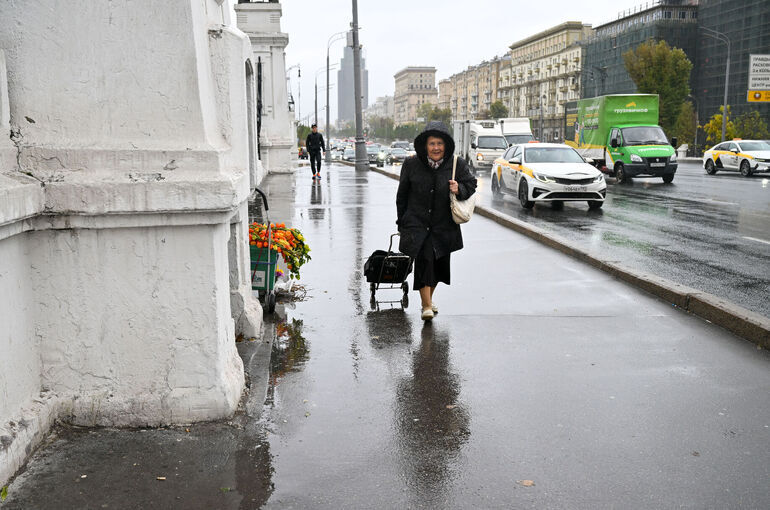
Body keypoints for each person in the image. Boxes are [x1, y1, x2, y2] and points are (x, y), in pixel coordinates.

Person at [396, 121, 477, 321]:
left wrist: (460, 189)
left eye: (439, 143)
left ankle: (429, 301)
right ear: (425, 145)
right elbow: (402, 195)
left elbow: (471, 184)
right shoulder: (411, 164)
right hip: (417, 224)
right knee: (424, 262)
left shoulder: (456, 164)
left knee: (439, 266)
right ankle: (426, 306)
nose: (436, 148)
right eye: (432, 143)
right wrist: (402, 222)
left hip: (443, 226)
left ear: (446, 146)